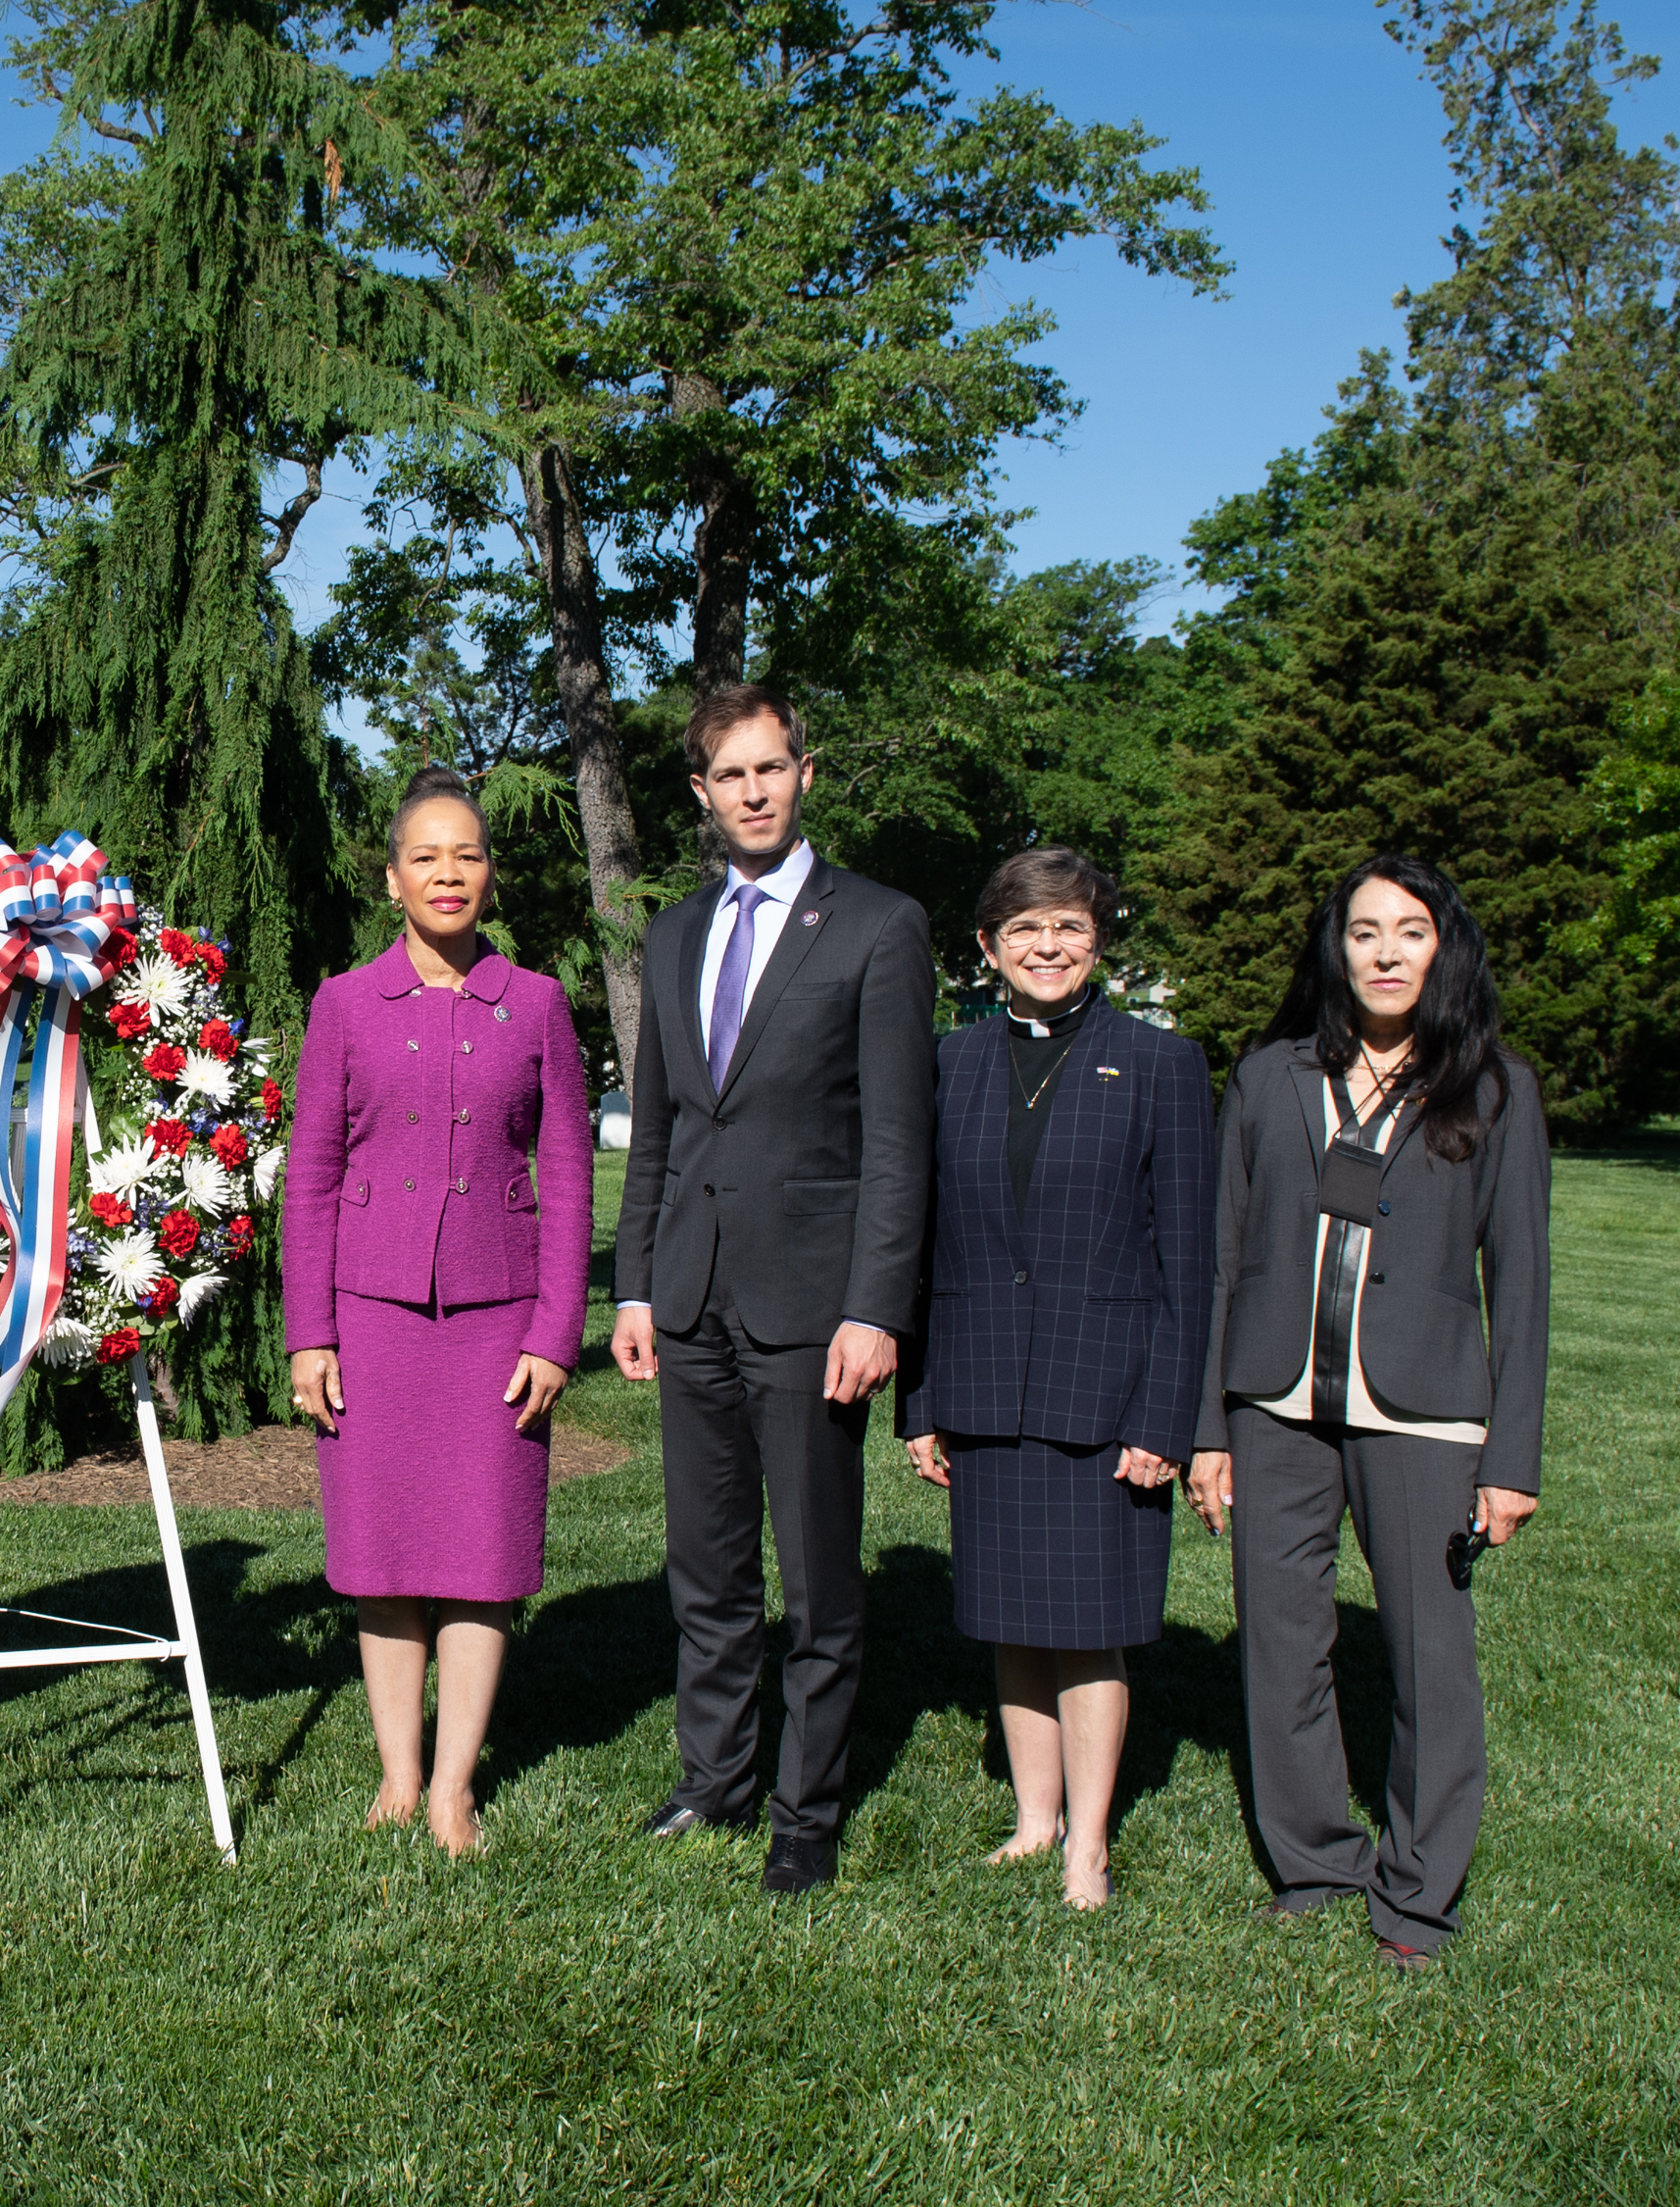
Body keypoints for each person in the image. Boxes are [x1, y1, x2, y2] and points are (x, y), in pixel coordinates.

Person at [1187, 855, 1549, 1963]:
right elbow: (1221, 1257)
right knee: (1281, 1642)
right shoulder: (1270, 1076)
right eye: (1363, 931)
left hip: (1425, 1414)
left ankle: (1419, 1891)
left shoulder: (1494, 1087)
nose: (1386, 952)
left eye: (1410, 931)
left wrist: (1512, 1457)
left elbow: (1522, 1284)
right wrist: (1207, 1428)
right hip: (1275, 1406)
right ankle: (1314, 1859)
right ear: (1334, 947)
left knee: (1429, 1657)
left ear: (1445, 947)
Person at [613, 684, 937, 1895]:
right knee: (705, 1567)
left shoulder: (878, 925)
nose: (752, 791)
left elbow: (900, 1142)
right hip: (688, 1297)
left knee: (817, 1576)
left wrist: (877, 1306)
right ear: (700, 795)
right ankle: (714, 1778)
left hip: (813, 1308)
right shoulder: (677, 933)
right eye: (728, 776)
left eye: (771, 768)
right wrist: (635, 1282)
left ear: (806, 772)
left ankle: (808, 1806)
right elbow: (659, 1129)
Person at [281, 769, 595, 1855]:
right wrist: (308, 1333)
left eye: (466, 855)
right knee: (379, 1556)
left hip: (500, 1326)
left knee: (482, 1554)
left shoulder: (539, 1003)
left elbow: (567, 1175)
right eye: (427, 856)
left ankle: (457, 1782)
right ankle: (398, 1776)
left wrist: (558, 1332)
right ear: (392, 878)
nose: (448, 873)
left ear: (489, 873)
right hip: (367, 1320)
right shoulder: (343, 1005)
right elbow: (311, 1173)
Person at [895, 847, 1213, 1912]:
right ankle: (1034, 1820)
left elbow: (1189, 1261)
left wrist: (1167, 1414)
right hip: (984, 1384)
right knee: (1010, 1618)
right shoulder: (952, 1064)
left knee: (1087, 1622)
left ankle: (1090, 1841)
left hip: (1106, 1394)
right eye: (1025, 930)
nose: (1049, 947)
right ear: (987, 950)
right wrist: (925, 1400)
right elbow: (926, 1243)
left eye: (1069, 926)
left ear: (1098, 939)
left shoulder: (1163, 1065)